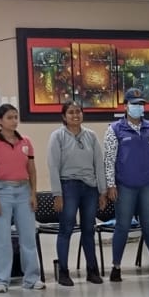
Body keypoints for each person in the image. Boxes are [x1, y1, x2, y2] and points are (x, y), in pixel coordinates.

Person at [104, 88, 149, 281]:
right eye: (134, 104)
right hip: (125, 185)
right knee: (123, 225)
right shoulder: (114, 129)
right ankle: (116, 267)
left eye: (141, 104)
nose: (138, 107)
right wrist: (111, 185)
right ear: (126, 106)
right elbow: (109, 159)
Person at [0, 104, 42, 292]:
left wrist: (33, 193)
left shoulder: (25, 142)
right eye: (9, 117)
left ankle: (32, 278)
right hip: (2, 191)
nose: (14, 121)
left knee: (28, 237)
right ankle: (1, 280)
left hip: (23, 191)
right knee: (1, 239)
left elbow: (32, 170)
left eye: (16, 117)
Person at [47, 101, 106, 286]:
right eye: (71, 112)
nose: (75, 115)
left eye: (78, 111)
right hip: (68, 186)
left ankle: (92, 271)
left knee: (89, 229)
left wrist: (102, 191)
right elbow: (53, 166)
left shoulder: (91, 136)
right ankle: (64, 272)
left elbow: (99, 164)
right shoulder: (57, 136)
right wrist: (57, 194)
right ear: (64, 116)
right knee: (66, 229)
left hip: (90, 188)